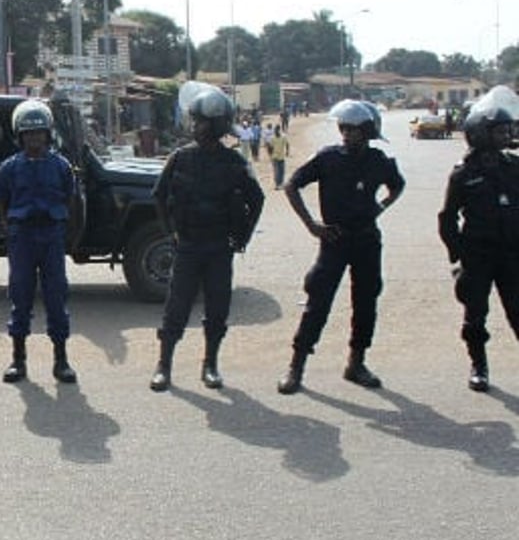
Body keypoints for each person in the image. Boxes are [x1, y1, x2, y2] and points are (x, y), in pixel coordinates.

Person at [278, 100, 405, 394]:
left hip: (366, 240)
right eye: (343, 128)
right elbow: (292, 185)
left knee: (366, 302)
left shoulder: (378, 160)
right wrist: (312, 225)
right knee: (317, 301)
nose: (346, 133)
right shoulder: (328, 158)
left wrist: (381, 206)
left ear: (368, 131)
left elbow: (398, 184)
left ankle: (356, 363)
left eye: (353, 129)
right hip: (334, 240)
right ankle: (296, 366)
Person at [149, 84, 264, 392]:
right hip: (187, 246)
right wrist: (169, 234)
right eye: (195, 120)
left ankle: (210, 364)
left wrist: (242, 237)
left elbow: (258, 199)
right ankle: (164, 365)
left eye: (201, 122)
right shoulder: (179, 158)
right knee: (176, 308)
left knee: (217, 309)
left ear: (217, 125)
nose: (195, 126)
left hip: (218, 248)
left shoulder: (235, 163)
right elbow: (159, 196)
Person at [436, 86, 519, 392]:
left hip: (512, 255)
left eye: (508, 130)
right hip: (479, 256)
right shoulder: (463, 174)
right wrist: (458, 254)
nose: (506, 135)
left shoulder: (515, 167)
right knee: (475, 315)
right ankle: (479, 365)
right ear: (482, 133)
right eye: (499, 131)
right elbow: (447, 218)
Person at [0, 99, 78, 385]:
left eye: (39, 133)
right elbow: (2, 200)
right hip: (23, 237)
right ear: (19, 136)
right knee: (20, 296)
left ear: (48, 134)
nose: (34, 139)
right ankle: (18, 360)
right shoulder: (9, 168)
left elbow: (69, 196)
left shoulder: (61, 166)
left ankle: (61, 360)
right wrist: (12, 226)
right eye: (29, 134)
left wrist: (58, 225)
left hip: (51, 235)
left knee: (56, 296)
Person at [267, 123, 290, 190]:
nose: (276, 131)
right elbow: (269, 147)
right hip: (275, 157)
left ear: (279, 130)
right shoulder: (272, 138)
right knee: (277, 171)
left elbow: (287, 144)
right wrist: (270, 155)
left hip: (282, 156)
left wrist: (287, 151)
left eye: (277, 130)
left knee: (282, 171)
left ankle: (281, 183)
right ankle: (277, 184)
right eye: (275, 130)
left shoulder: (283, 137)